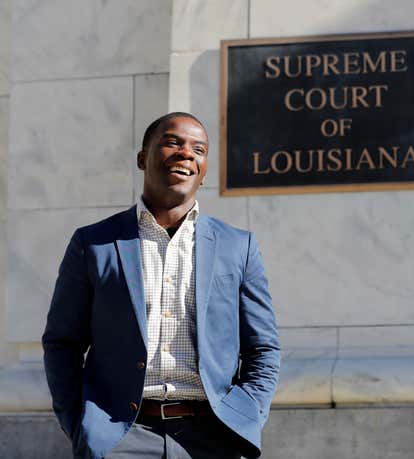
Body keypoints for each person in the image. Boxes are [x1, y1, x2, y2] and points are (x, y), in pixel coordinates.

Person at [42, 112, 280, 459]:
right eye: (173, 142)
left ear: (204, 170)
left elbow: (263, 348)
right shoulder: (94, 243)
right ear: (143, 158)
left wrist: (249, 412)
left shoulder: (238, 246)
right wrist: (79, 425)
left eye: (198, 149)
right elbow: (62, 343)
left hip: (215, 436)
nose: (187, 154)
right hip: (122, 437)